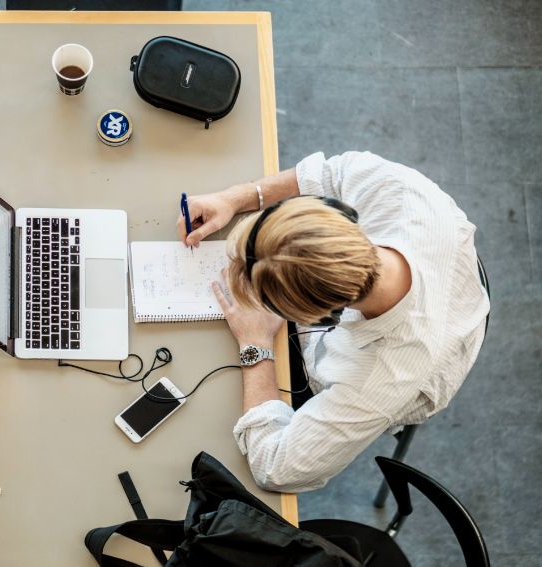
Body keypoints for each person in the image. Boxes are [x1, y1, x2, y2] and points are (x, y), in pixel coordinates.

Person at [178, 151, 489, 493]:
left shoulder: (378, 378)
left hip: (426, 365)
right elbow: (332, 172)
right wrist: (236, 198)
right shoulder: (401, 194)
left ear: (314, 320)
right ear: (335, 214)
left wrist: (257, 344)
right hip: (445, 294)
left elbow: (276, 468)